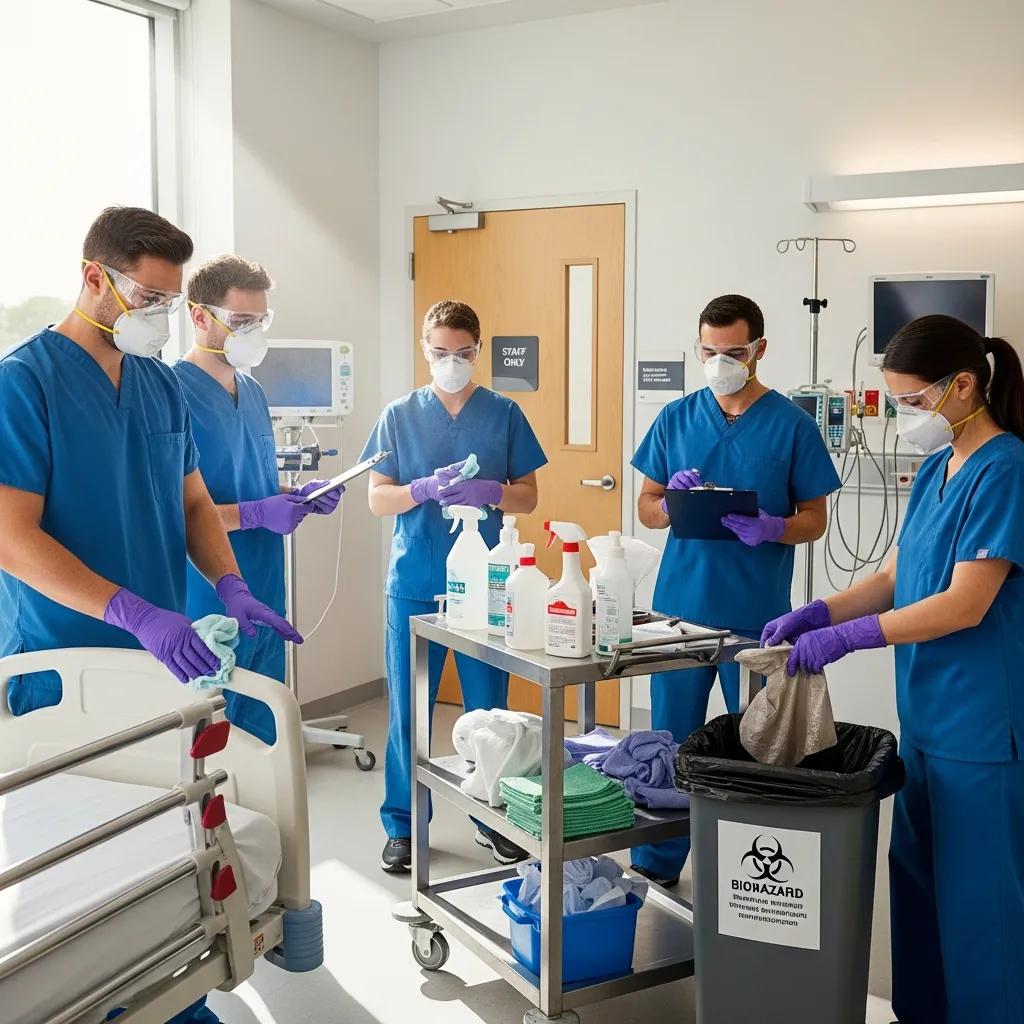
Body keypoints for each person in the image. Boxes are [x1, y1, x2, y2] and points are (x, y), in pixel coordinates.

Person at [0, 207, 300, 1024]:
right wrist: (126, 608)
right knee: (75, 871)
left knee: (167, 845)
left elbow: (195, 502)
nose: (160, 318)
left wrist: (232, 586)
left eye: (168, 303)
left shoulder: (163, 384)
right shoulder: (23, 382)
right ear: (94, 276)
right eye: (148, 297)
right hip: (66, 663)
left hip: (164, 661)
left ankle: (174, 993)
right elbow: (10, 537)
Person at [763, 315, 1024, 1024]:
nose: (905, 417)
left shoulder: (1006, 469)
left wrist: (853, 638)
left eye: (912, 402)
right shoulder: (941, 465)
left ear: (964, 386)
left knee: (980, 914)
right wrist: (820, 610)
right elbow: (896, 572)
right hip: (928, 725)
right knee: (917, 894)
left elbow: (967, 604)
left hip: (981, 729)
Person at [629, 294, 841, 887]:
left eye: (733, 352)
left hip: (756, 618)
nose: (720, 361)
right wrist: (669, 498)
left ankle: (747, 876)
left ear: (759, 350)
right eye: (709, 351)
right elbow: (646, 510)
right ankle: (657, 861)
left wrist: (776, 527)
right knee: (668, 742)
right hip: (680, 613)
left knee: (753, 745)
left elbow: (815, 519)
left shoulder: (791, 425)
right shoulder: (676, 418)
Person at [362, 299, 547, 873]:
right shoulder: (398, 416)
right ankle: (403, 825)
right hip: (416, 579)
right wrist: (419, 490)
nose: (452, 363)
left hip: (488, 587)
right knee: (408, 710)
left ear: (478, 350)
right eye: (441, 353)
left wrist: (490, 492)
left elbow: (528, 494)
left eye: (463, 353)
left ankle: (493, 816)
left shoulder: (504, 413)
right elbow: (376, 498)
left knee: (490, 712)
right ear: (425, 350)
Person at [173, 255, 341, 745]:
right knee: (209, 741)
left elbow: (249, 482)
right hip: (205, 592)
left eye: (260, 321)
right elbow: (172, 510)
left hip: (265, 584)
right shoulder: (169, 393)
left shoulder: (253, 390)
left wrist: (293, 498)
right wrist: (255, 514)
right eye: (241, 322)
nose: (253, 333)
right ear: (199, 316)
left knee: (264, 733)